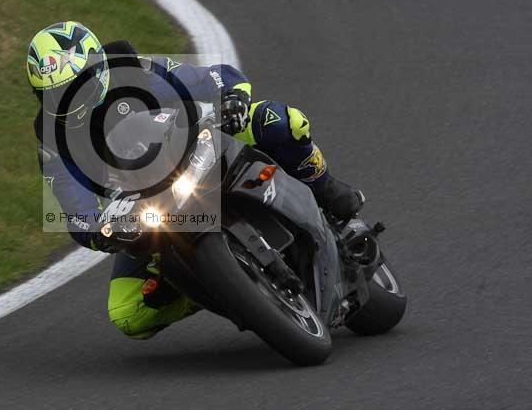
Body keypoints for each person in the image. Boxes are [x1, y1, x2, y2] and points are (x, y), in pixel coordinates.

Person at [28, 21, 363, 339]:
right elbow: (76, 209)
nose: (67, 101)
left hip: (199, 140)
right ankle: (226, 290)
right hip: (143, 204)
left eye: (74, 88)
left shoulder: (135, 72)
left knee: (284, 121)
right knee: (128, 313)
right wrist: (101, 235)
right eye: (54, 94)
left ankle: (327, 189)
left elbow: (217, 79)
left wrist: (234, 100)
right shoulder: (52, 142)